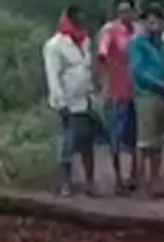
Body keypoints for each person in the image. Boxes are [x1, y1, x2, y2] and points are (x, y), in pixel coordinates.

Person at [44, 5, 96, 196]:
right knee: (67, 143)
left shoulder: (85, 41)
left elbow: (87, 70)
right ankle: (65, 183)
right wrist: (60, 103)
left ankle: (89, 182)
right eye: (80, 16)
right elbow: (53, 76)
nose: (83, 19)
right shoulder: (55, 45)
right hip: (67, 102)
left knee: (87, 142)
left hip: (85, 99)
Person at [128, 6, 164, 197]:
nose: (154, 25)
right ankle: (141, 183)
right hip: (146, 95)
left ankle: (155, 181)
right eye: (150, 21)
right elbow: (139, 72)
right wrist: (161, 85)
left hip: (163, 96)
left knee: (158, 142)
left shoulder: (163, 47)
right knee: (144, 142)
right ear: (144, 23)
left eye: (158, 21)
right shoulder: (139, 44)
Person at [97, 0, 140, 192]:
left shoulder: (138, 30)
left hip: (137, 88)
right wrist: (104, 85)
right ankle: (117, 177)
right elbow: (102, 56)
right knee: (116, 134)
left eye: (128, 10)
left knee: (135, 134)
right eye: (122, 11)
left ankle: (134, 174)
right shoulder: (110, 30)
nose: (125, 14)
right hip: (117, 88)